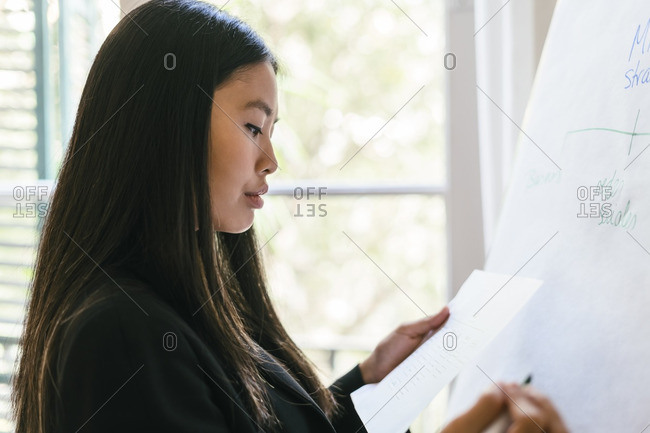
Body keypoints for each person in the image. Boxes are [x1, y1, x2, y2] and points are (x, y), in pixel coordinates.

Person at [9, 1, 569, 432]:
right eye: (253, 127)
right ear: (167, 129)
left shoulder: (182, 303)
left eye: (271, 132)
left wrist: (366, 380)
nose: (271, 160)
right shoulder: (120, 333)